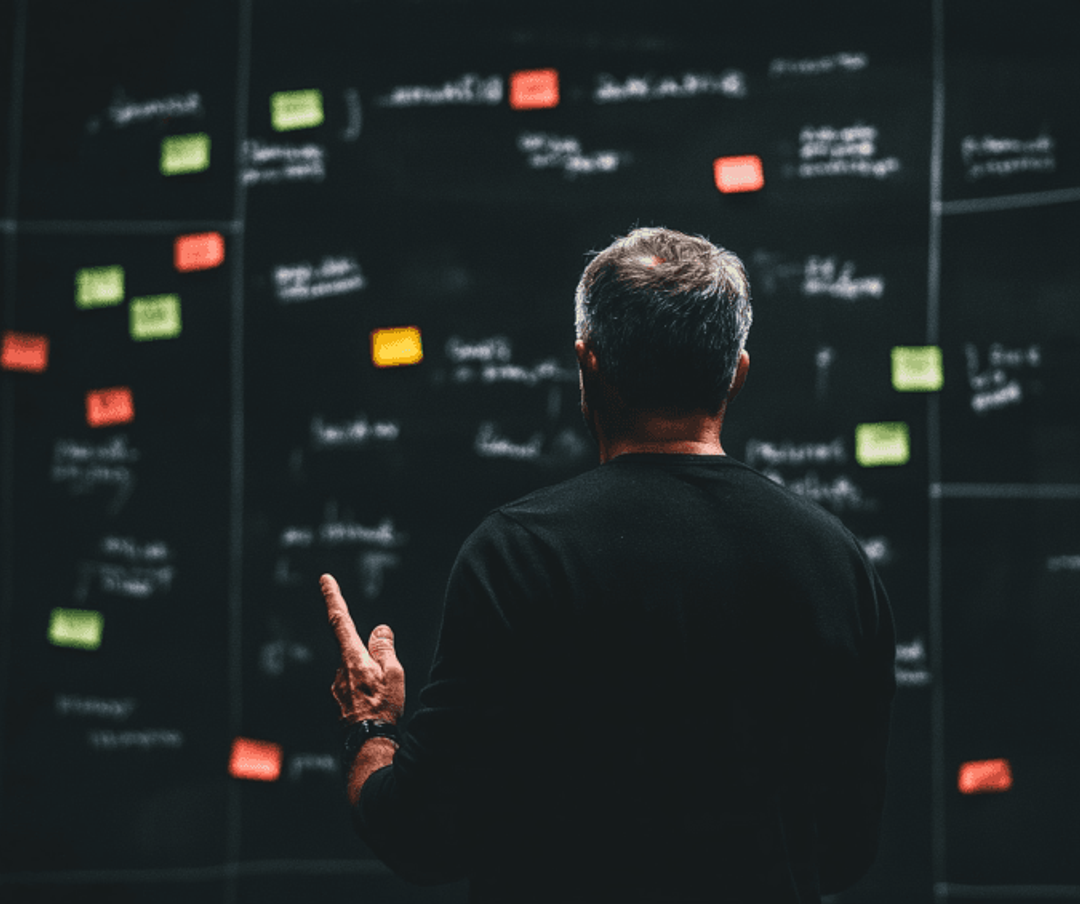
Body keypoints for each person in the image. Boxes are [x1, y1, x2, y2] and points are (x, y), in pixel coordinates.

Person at [322, 227, 896, 903]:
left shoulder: (518, 556)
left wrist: (373, 724)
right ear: (737, 373)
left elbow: (420, 836)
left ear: (587, 365)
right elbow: (847, 848)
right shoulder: (837, 562)